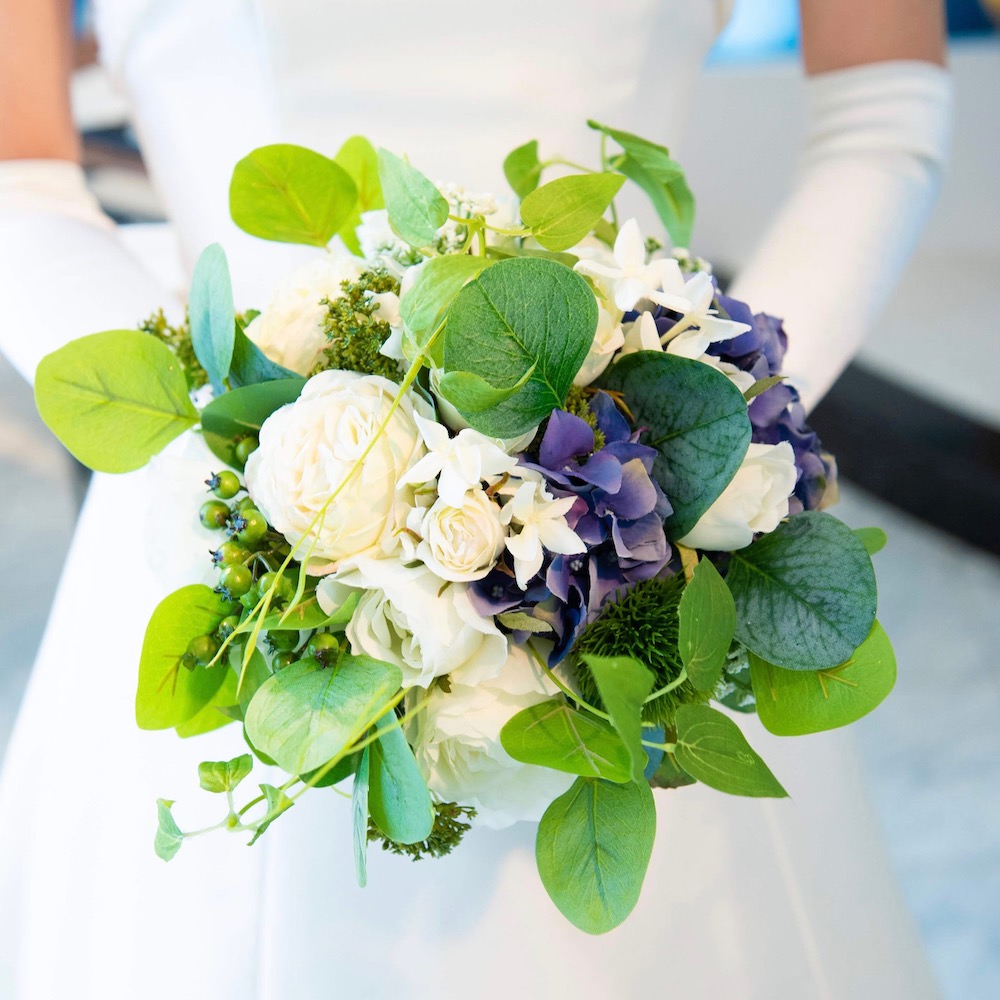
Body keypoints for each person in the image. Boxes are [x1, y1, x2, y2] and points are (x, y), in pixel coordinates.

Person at [0, 1, 951, 997]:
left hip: (636, 534)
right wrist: (250, 447)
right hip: (243, 533)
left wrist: (717, 419)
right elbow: (19, 178)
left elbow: (879, 112)